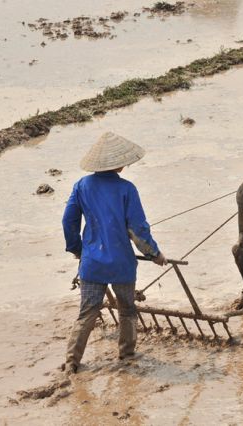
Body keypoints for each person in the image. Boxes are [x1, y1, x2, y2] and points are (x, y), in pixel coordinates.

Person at [62, 132, 167, 375]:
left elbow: (68, 222)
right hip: (122, 264)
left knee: (87, 313)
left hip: (91, 264)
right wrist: (154, 254)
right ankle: (127, 354)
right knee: (128, 309)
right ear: (118, 163)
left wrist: (77, 249)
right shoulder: (127, 189)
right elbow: (137, 230)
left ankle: (72, 361)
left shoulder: (81, 186)